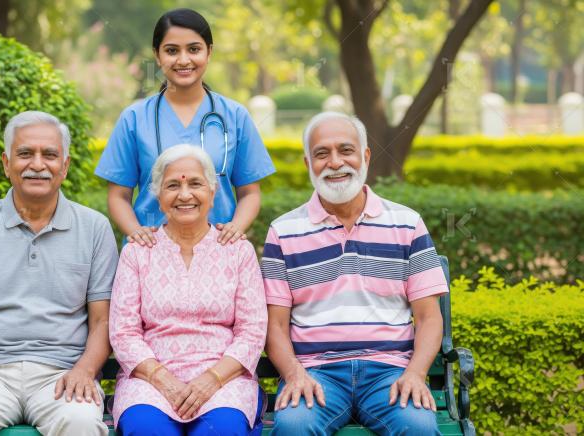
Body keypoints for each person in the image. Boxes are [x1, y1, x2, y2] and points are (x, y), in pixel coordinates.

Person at [0, 111, 118, 436]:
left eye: (50, 155)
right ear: (6, 163)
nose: (38, 164)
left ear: (66, 165)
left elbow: (103, 320)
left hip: (62, 374)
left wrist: (85, 371)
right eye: (25, 154)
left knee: (81, 423)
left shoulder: (94, 228)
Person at [262, 112, 447, 436]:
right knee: (292, 427)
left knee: (419, 428)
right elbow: (274, 324)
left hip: (390, 373)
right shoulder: (284, 231)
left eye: (345, 150)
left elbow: (429, 318)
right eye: (322, 153)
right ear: (308, 164)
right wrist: (293, 374)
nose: (335, 162)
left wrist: (416, 373)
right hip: (316, 375)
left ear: (365, 156)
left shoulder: (406, 224)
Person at [109, 144, 268, 435]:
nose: (184, 195)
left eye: (195, 183)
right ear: (158, 196)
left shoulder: (237, 250)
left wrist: (210, 380)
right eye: (172, 185)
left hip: (224, 381)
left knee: (220, 431)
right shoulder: (138, 252)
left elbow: (253, 331)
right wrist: (164, 381)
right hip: (149, 382)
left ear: (212, 192)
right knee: (149, 430)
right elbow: (123, 332)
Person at [95, 8, 275, 247]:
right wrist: (137, 233)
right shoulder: (134, 118)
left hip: (218, 249)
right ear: (157, 56)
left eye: (194, 49)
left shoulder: (235, 116)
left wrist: (235, 229)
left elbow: (250, 193)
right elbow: (118, 196)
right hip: (152, 252)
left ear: (209, 52)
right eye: (171, 51)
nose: (183, 60)